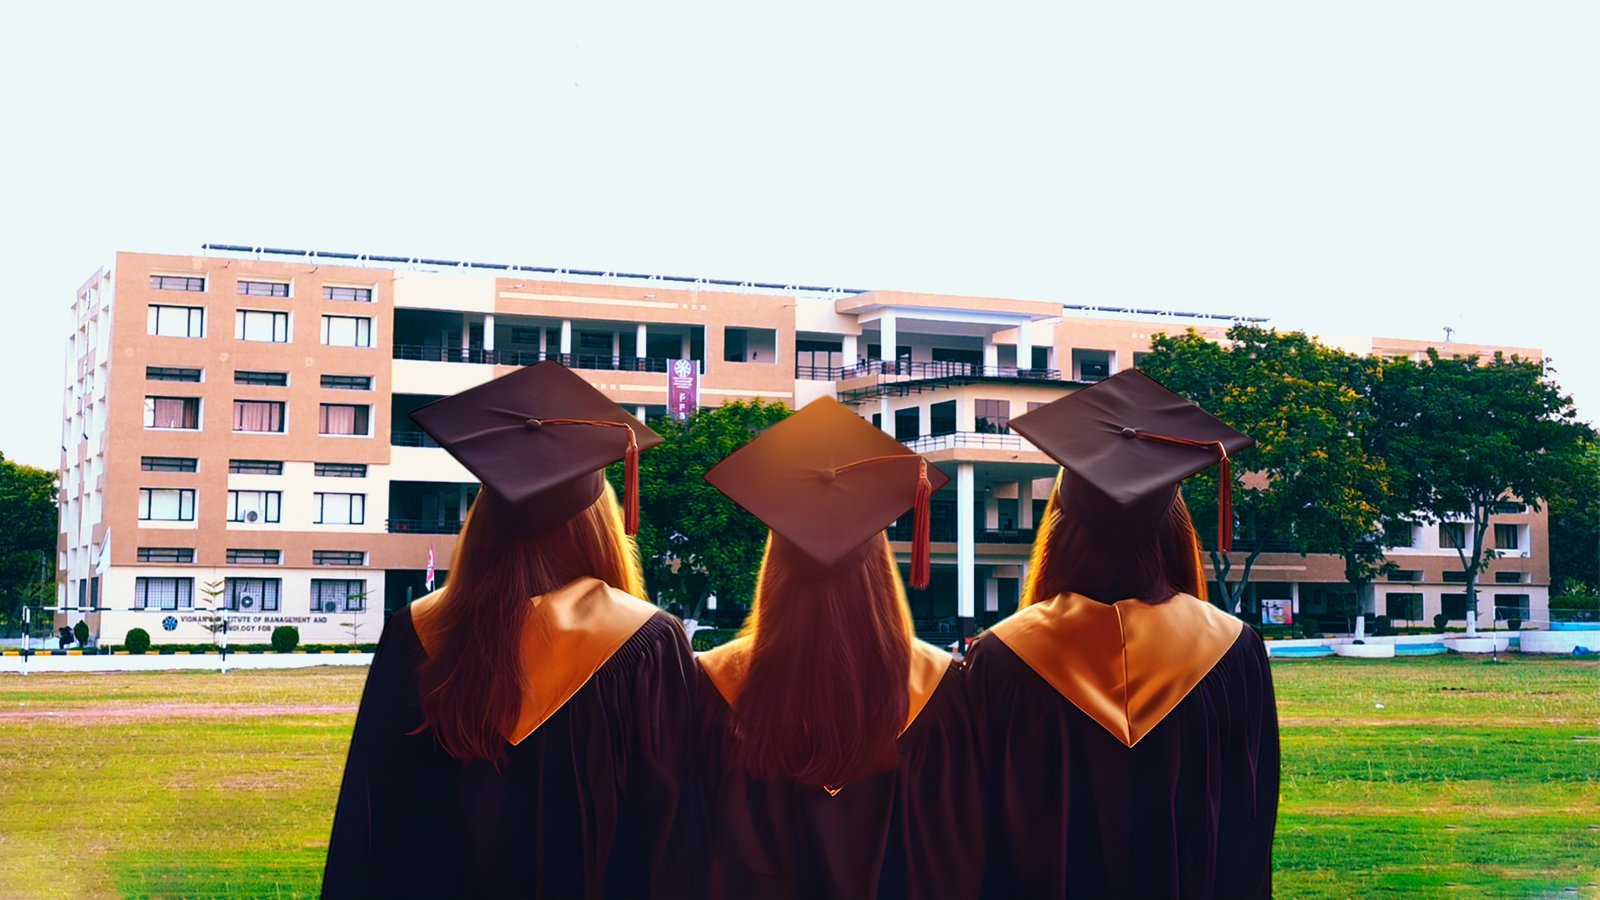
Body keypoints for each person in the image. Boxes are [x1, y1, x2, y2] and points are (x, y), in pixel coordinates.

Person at [322, 361, 695, 898]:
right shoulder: (646, 643)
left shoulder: (415, 632)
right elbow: (675, 837)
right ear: (597, 523)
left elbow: (370, 820)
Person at [967, 369, 1279, 898]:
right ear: (1174, 527)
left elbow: (978, 839)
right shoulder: (1233, 651)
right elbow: (1247, 829)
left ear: (1060, 525)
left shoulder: (1001, 657)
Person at [692, 396, 983, 899]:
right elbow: (959, 851)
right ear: (879, 568)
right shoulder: (943, 686)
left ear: (773, 569)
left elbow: (688, 846)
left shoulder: (710, 683)